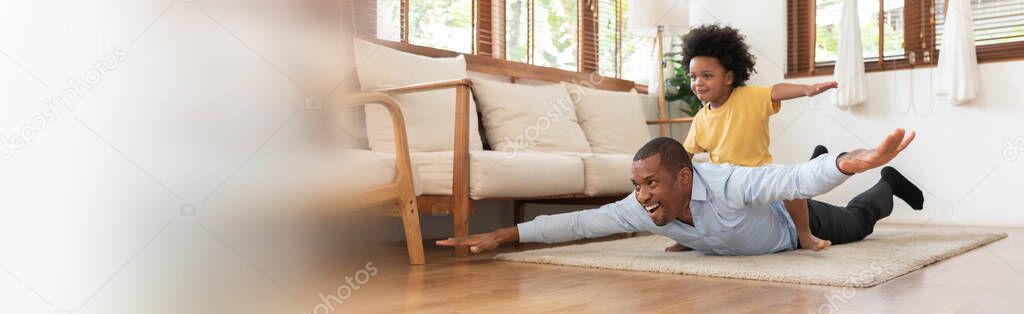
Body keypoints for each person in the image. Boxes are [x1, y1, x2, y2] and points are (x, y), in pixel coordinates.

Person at [437, 129, 924, 256]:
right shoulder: (640, 208)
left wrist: (847, 164)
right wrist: (503, 234)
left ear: (685, 177)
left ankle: (887, 186)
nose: (642, 196)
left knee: (857, 223)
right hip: (743, 230)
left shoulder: (728, 182)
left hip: (793, 221)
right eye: (637, 185)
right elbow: (579, 224)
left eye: (651, 183)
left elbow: (787, 181)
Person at [680, 24, 843, 251]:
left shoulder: (748, 97)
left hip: (758, 174)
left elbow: (776, 90)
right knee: (691, 195)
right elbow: (683, 156)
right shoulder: (700, 119)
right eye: (693, 76)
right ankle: (686, 239)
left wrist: (806, 89)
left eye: (706, 76)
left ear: (728, 77)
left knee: (790, 185)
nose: (698, 83)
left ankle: (805, 234)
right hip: (724, 183)